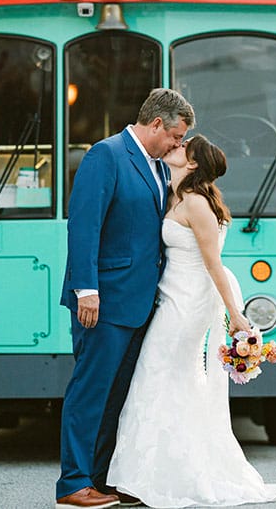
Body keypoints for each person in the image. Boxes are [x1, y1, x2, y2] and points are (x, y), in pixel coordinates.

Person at [106, 134, 276, 507]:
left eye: (181, 147)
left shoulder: (198, 205)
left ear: (191, 164)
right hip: (173, 297)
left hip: (187, 305)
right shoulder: (177, 196)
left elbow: (213, 264)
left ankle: (149, 478)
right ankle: (154, 474)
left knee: (158, 375)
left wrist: (236, 315)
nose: (173, 147)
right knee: (167, 378)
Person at [56, 88, 196, 509]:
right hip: (103, 300)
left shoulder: (156, 166)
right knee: (90, 392)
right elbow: (84, 225)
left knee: (117, 395)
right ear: (156, 124)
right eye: (175, 136)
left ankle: (100, 479)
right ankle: (73, 484)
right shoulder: (106, 154)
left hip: (137, 302)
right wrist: (87, 289)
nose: (178, 145)